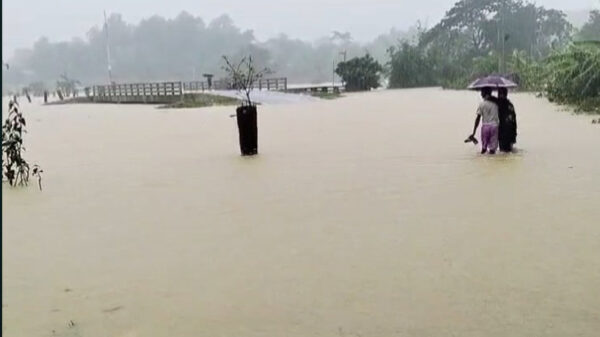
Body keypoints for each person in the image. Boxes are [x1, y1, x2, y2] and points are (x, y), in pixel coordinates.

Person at [470, 87, 499, 154]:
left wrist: (474, 132)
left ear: (484, 93)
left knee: (484, 149)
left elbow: (478, 119)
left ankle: (483, 162)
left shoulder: (482, 104)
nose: (481, 94)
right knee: (492, 150)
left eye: (482, 92)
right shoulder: (496, 103)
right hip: (494, 126)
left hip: (485, 127)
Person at [496, 88, 517, 152]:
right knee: (508, 151)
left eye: (500, 94)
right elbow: (514, 120)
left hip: (504, 132)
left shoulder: (499, 104)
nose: (499, 96)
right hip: (510, 131)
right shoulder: (510, 105)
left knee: (503, 151)